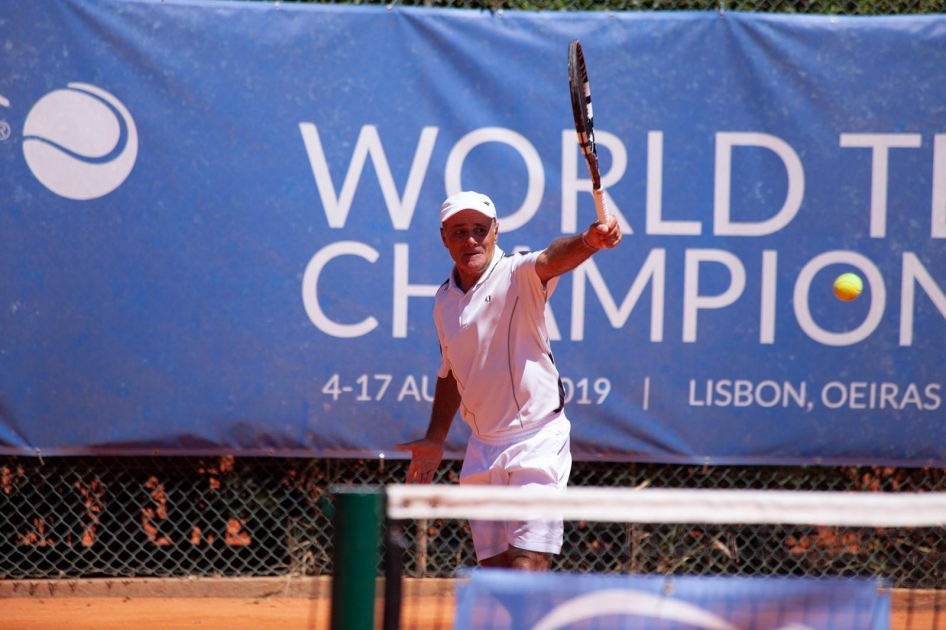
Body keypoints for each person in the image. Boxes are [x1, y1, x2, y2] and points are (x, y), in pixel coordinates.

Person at [396, 190, 622, 571]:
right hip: (481, 448)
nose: (471, 240)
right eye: (460, 231)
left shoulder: (518, 274)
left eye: (480, 230)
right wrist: (436, 439)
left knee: (526, 567)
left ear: (496, 231)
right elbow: (451, 371)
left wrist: (588, 241)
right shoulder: (444, 300)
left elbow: (552, 258)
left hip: (537, 441)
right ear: (444, 237)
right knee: (497, 578)